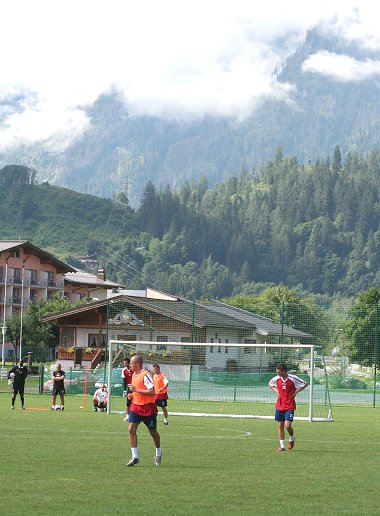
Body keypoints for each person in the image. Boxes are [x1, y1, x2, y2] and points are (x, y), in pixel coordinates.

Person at [127, 354, 162, 467]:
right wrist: (132, 395)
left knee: (153, 432)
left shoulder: (146, 375)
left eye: (131, 363)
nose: (130, 365)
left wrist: (136, 389)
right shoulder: (134, 374)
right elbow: (136, 390)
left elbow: (152, 391)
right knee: (131, 429)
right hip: (136, 407)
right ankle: (135, 457)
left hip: (148, 408)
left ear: (137, 364)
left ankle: (158, 452)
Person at [268, 363, 308, 451]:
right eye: (277, 372)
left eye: (279, 372)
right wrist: (277, 391)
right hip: (280, 405)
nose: (278, 374)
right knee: (280, 425)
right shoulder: (276, 379)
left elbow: (305, 384)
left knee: (287, 425)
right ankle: (282, 446)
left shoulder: (293, 379)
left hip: (289, 405)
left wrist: (295, 392)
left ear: (284, 371)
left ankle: (291, 438)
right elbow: (270, 384)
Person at [122, 357, 133, 422]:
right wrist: (124, 390)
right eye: (124, 363)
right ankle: (127, 416)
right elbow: (124, 381)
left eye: (125, 363)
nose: (124, 364)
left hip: (136, 388)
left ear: (129, 363)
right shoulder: (124, 370)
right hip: (129, 388)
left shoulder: (134, 370)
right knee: (128, 403)